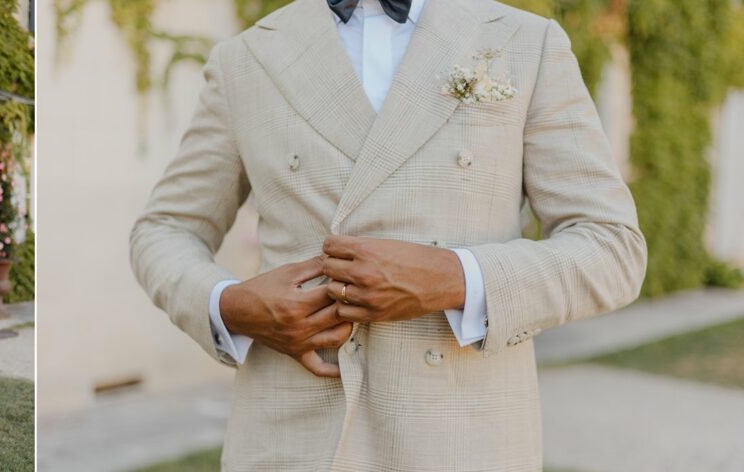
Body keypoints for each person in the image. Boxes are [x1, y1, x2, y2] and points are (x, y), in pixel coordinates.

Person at [129, 0, 647, 470]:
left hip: (466, 445)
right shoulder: (246, 58)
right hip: (290, 443)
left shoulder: (526, 42)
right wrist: (230, 306)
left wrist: (455, 278)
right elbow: (165, 228)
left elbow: (611, 246)